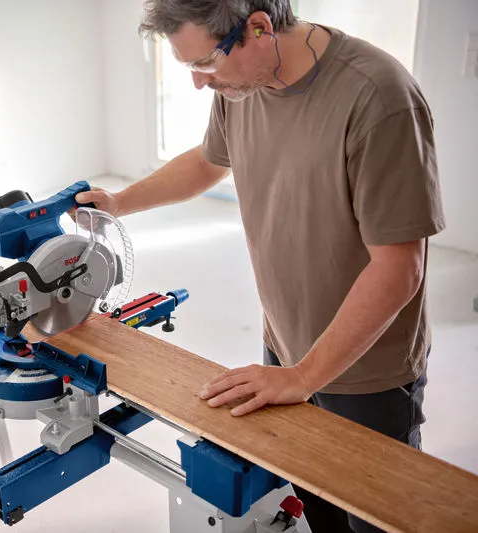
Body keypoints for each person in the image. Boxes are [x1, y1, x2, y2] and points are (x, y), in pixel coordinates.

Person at [75, 1, 445, 532]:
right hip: (286, 346)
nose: (201, 84)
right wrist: (119, 202)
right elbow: (208, 161)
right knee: (318, 506)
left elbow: (399, 269)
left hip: (367, 372)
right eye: (189, 68)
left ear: (259, 28)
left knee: (375, 524)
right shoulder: (242, 86)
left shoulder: (379, 97)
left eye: (206, 64)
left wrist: (304, 376)